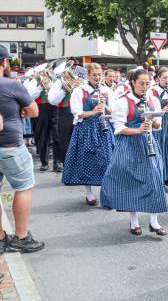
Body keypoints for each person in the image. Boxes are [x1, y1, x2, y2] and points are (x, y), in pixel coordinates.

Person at [101, 69, 167, 235]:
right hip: (130, 144)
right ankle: (134, 221)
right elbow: (119, 128)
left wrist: (154, 122)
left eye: (147, 84)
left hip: (149, 143)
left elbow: (159, 125)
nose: (144, 87)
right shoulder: (122, 101)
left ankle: (154, 221)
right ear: (132, 82)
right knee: (131, 182)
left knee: (155, 179)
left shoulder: (152, 100)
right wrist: (138, 130)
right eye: (141, 83)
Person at [0, 45, 45, 253]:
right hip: (10, 146)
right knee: (24, 187)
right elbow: (34, 111)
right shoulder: (11, 85)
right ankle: (20, 237)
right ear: (4, 62)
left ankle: (1, 237)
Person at [62, 63, 115, 205]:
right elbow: (77, 113)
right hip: (86, 129)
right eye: (94, 75)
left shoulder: (106, 91)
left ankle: (107, 194)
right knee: (87, 160)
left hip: (104, 128)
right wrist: (93, 111)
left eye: (99, 75)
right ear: (88, 75)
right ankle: (89, 193)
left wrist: (106, 107)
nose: (97, 78)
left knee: (108, 161)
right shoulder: (80, 90)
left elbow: (115, 111)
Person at [25, 62, 62, 172]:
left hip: (55, 109)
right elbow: (29, 96)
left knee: (57, 136)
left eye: (49, 69)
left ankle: (57, 163)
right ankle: (44, 163)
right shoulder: (34, 81)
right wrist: (40, 86)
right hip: (41, 108)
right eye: (45, 70)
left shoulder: (57, 81)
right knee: (43, 137)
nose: (47, 72)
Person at [47, 69, 81, 167]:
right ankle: (62, 163)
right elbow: (52, 100)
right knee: (63, 139)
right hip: (65, 112)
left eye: (71, 69)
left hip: (79, 112)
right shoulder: (59, 83)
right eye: (66, 70)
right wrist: (64, 89)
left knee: (77, 140)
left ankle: (75, 164)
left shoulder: (80, 80)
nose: (70, 72)